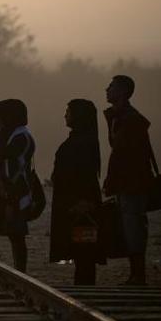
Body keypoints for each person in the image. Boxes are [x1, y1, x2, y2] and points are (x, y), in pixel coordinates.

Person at [103, 75, 154, 285]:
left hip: (132, 183)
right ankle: (136, 274)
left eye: (111, 86)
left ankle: (138, 275)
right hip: (128, 182)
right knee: (131, 227)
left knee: (133, 227)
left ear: (123, 91)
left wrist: (113, 178)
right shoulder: (121, 117)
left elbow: (125, 156)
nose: (107, 89)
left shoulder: (131, 120)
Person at [50, 99, 105, 285]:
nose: (65, 115)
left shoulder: (82, 142)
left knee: (84, 249)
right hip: (75, 202)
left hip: (80, 204)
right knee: (81, 249)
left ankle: (85, 287)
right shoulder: (84, 140)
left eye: (69, 111)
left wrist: (81, 202)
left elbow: (83, 176)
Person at [0, 99, 34, 273]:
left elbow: (4, 153)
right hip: (9, 190)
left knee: (17, 234)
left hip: (18, 191)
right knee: (14, 235)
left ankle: (22, 271)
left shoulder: (22, 137)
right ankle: (20, 271)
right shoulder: (15, 135)